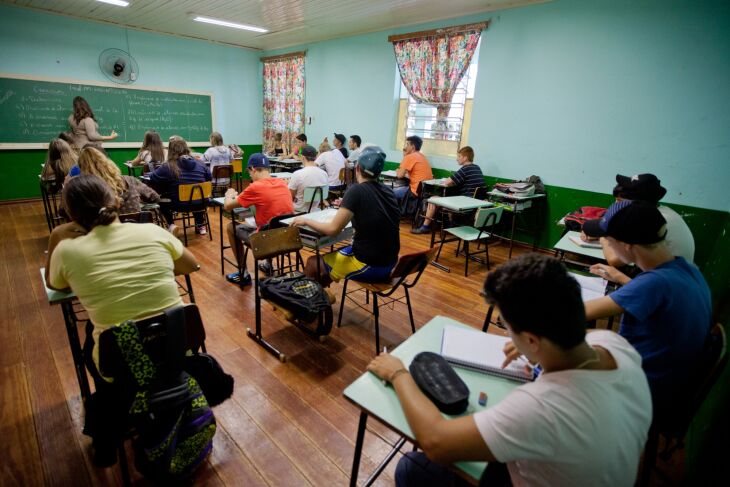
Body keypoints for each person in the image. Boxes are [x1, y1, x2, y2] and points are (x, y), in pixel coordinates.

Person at [368, 253, 652, 486]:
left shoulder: (542, 409)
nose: (508, 336)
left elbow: (436, 442)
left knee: (410, 467)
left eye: (508, 328)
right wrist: (537, 349)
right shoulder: (616, 345)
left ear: (531, 339)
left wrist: (398, 373)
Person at [44, 174, 199, 465]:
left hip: (120, 362)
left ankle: (117, 412)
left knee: (96, 336)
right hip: (176, 345)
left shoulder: (67, 250)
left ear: (70, 215)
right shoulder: (152, 232)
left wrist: (59, 236)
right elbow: (192, 265)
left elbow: (56, 285)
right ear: (115, 200)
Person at [583, 200, 712, 422]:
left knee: (553, 350)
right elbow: (650, 293)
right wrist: (621, 278)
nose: (607, 246)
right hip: (671, 380)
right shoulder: (686, 269)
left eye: (608, 241)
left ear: (627, 245)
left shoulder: (654, 284)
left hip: (643, 389)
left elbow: (579, 312)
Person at [291, 146, 400, 287]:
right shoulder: (388, 191)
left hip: (370, 265)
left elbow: (332, 230)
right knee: (328, 266)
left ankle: (307, 303)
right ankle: (320, 297)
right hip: (390, 262)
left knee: (313, 262)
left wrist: (306, 219)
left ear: (357, 168)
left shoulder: (356, 190)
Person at [582, 173, 695, 285]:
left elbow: (614, 260)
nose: (615, 205)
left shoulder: (647, 221)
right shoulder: (660, 213)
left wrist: (603, 237)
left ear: (637, 205)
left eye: (620, 201)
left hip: (662, 283)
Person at [223, 153, 294, 286]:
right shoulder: (283, 183)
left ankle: (243, 272)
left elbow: (228, 206)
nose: (249, 175)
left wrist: (229, 195)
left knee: (231, 227)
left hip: (265, 241)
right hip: (287, 238)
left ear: (253, 169)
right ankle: (268, 264)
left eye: (249, 172)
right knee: (269, 222)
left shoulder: (255, 187)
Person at [411, 146, 485, 234]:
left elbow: (447, 182)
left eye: (459, 157)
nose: (457, 159)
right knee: (450, 197)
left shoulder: (465, 169)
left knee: (433, 199)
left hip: (464, 205)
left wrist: (449, 180)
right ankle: (450, 225)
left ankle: (425, 227)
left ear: (465, 158)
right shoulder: (477, 168)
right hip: (474, 204)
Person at [149, 136, 212, 235]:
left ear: (170, 151)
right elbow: (209, 177)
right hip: (202, 203)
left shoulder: (168, 166)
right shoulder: (200, 163)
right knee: (197, 193)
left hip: (179, 205)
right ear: (187, 148)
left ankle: (171, 225)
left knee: (160, 199)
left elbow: (153, 177)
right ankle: (200, 224)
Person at [77, 146, 159, 215]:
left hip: (102, 231)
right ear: (107, 161)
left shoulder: (84, 189)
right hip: (133, 228)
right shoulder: (130, 180)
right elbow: (155, 197)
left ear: (81, 168)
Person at [288, 145, 329, 213]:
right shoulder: (324, 174)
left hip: (298, 211)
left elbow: (289, 196)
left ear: (303, 157)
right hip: (315, 210)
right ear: (315, 158)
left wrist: (289, 183)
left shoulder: (298, 174)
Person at [394, 135, 433, 202]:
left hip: (414, 192)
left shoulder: (409, 157)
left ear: (413, 147)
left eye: (407, 144)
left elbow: (399, 175)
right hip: (424, 192)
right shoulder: (422, 156)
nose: (405, 147)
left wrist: (398, 170)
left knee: (390, 193)